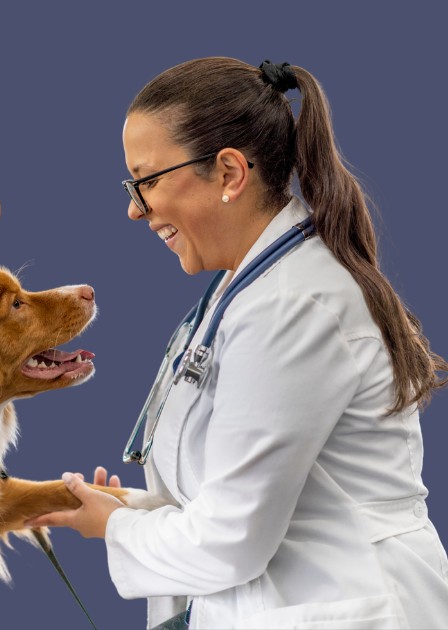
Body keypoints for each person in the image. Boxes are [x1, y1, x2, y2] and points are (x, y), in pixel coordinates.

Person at [28, 57, 448, 629]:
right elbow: (255, 499)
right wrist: (133, 508)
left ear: (228, 173)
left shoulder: (291, 307)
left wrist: (116, 526)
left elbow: (232, 540)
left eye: (146, 181)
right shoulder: (246, 292)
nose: (134, 208)